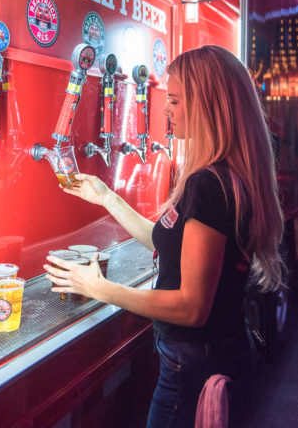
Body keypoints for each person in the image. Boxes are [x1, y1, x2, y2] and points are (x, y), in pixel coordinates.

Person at [44, 45, 284, 427]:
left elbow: (192, 307)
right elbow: (163, 241)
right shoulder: (221, 177)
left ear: (208, 104)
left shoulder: (209, 185)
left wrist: (100, 288)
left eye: (174, 99)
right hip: (209, 355)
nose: (166, 110)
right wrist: (106, 196)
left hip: (195, 366)